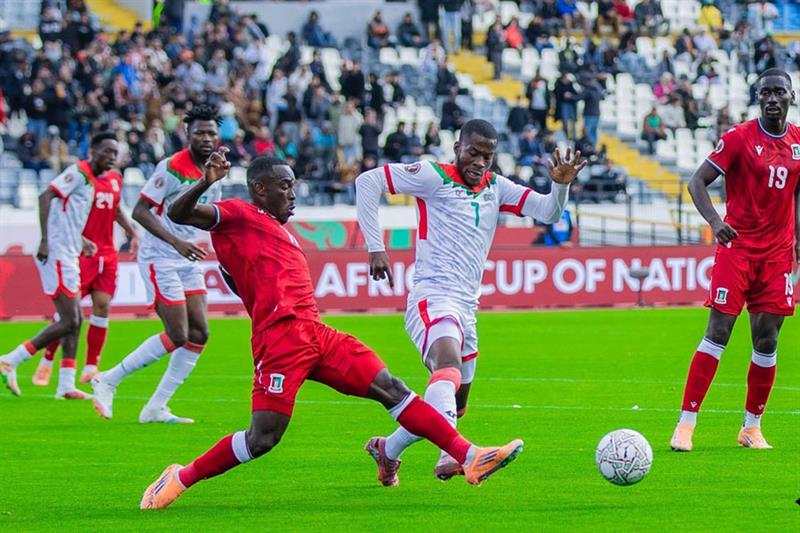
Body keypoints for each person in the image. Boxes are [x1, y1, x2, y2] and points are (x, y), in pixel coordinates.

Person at [138, 151, 524, 510]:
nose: (293, 194)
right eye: (285, 186)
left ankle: (470, 456)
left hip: (316, 334)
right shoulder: (237, 214)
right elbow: (179, 211)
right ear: (260, 189)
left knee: (393, 389)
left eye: (293, 186)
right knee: (263, 439)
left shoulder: (281, 231)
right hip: (280, 343)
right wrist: (206, 181)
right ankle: (180, 477)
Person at [355, 119, 585, 485]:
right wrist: (375, 246)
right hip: (432, 297)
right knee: (446, 366)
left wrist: (561, 185)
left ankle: (387, 450)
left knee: (452, 405)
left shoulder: (497, 188)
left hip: (467, 308)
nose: (479, 161)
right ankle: (456, 454)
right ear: (457, 149)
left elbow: (549, 213)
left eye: (487, 156)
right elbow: (367, 182)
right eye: (473, 152)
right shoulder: (434, 176)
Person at [670, 68, 799, 452]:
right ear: (757, 98)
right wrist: (715, 222)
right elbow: (696, 181)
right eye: (765, 93)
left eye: (779, 92)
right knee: (718, 332)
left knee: (767, 338)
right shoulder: (740, 138)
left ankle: (751, 427)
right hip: (738, 249)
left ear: (791, 96)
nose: (772, 98)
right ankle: (686, 424)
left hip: (777, 256)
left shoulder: (797, 143)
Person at [90, 104, 223, 424]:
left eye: (211, 133)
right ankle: (108, 379)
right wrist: (176, 242)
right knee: (177, 333)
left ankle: (155, 407)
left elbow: (207, 213)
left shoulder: (216, 168)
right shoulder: (171, 167)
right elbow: (140, 211)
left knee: (200, 333)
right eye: (200, 133)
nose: (206, 138)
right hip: (160, 257)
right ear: (187, 134)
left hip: (188, 257)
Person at [0, 132, 119, 399]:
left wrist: (81, 239)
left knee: (74, 320)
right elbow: (45, 197)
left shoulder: (91, 180)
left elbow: (67, 215)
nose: (111, 157)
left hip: (70, 251)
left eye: (115, 152)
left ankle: (65, 385)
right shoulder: (79, 172)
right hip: (57, 254)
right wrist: (44, 241)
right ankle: (11, 359)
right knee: (69, 320)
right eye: (106, 151)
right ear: (93, 151)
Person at [32, 162, 141, 386]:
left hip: (108, 252)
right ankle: (47, 359)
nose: (111, 157)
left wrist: (132, 232)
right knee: (69, 312)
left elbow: (116, 210)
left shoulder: (115, 179)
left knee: (103, 306)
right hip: (81, 251)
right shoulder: (83, 179)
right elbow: (60, 210)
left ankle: (91, 368)